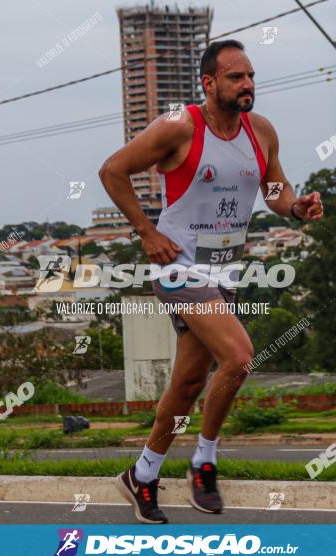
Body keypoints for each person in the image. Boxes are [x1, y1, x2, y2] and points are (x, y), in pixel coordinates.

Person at [99, 39, 323, 524]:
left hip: (225, 271)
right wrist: (146, 232)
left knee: (186, 385)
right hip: (178, 267)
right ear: (209, 82)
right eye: (236, 77)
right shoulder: (179, 126)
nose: (248, 85)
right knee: (239, 358)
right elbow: (113, 170)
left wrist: (296, 206)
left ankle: (142, 474)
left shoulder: (260, 132)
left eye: (251, 76)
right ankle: (204, 461)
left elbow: (274, 188)